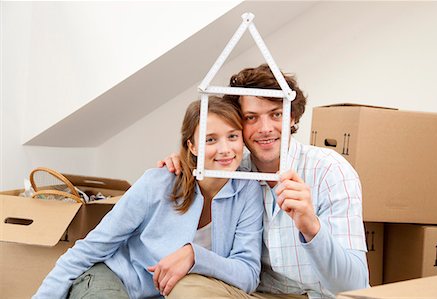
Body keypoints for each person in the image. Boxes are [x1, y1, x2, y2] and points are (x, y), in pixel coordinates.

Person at [159, 64, 369, 299]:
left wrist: (312, 227)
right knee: (185, 288)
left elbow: (356, 285)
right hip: (256, 295)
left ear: (292, 117)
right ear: (238, 123)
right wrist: (188, 163)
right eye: (251, 118)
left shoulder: (330, 170)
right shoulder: (233, 171)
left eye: (276, 114)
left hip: (319, 296)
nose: (265, 129)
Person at [33, 97, 264, 299]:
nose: (225, 149)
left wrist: (195, 256)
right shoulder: (158, 182)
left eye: (232, 136)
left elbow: (248, 274)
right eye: (210, 140)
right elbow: (90, 248)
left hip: (174, 293)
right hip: (113, 279)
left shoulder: (247, 190)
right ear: (192, 146)